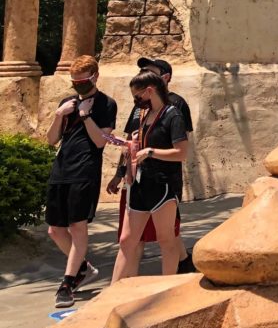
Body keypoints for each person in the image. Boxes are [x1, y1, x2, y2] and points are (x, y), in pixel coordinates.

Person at [107, 57, 194, 274]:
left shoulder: (173, 112)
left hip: (162, 184)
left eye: (138, 96)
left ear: (149, 90)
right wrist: (131, 149)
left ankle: (167, 288)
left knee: (167, 239)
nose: (136, 101)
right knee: (127, 240)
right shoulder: (143, 113)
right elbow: (136, 140)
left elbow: (182, 153)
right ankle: (113, 292)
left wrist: (151, 152)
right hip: (139, 182)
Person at [44, 55, 118, 308]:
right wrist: (58, 115)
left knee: (77, 226)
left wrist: (86, 117)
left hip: (85, 170)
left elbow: (100, 142)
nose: (78, 86)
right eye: (74, 82)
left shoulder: (106, 104)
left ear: (95, 77)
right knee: (54, 230)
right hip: (61, 168)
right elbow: (51, 140)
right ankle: (83, 267)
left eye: (83, 82)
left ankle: (67, 283)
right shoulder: (67, 102)